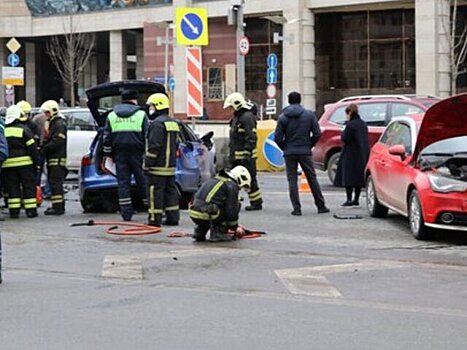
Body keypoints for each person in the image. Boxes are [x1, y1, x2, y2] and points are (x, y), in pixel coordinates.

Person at [274, 91, 330, 215]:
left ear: (289, 101)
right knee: (312, 178)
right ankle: (321, 206)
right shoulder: (309, 115)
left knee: (292, 180)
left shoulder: (283, 117)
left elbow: (277, 138)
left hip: (289, 152)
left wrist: (285, 147)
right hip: (305, 151)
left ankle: (297, 208)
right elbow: (317, 134)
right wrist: (309, 145)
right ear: (300, 100)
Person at [103, 90, 148, 221]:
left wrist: (107, 154)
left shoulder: (111, 115)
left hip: (119, 154)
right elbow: (147, 136)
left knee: (123, 183)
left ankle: (126, 213)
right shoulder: (141, 115)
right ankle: (151, 211)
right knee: (143, 182)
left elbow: (107, 138)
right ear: (135, 100)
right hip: (137, 154)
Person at [144, 93, 180, 227]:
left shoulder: (157, 124)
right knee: (171, 192)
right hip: (170, 166)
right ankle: (173, 217)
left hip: (157, 167)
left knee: (155, 193)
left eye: (151, 106)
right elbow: (176, 144)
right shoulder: (173, 123)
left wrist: (147, 164)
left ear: (158, 106)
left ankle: (154, 219)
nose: (150, 109)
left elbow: (154, 147)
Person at [189, 166, 251, 242]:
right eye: (241, 186)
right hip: (206, 214)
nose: (240, 189)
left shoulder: (216, 178)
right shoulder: (231, 185)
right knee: (231, 205)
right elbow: (231, 210)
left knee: (213, 205)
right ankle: (218, 234)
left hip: (194, 212)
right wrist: (235, 227)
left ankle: (199, 232)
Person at [224, 92, 262, 211]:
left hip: (245, 157)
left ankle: (256, 202)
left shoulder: (246, 118)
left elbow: (251, 136)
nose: (230, 110)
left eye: (231, 107)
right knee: (234, 180)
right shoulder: (239, 117)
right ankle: (238, 202)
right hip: (237, 156)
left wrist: (246, 152)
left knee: (250, 179)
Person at [1, 105, 39, 218]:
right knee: (28, 186)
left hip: (8, 166)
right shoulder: (24, 129)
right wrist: (36, 163)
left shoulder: (4, 130)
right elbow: (32, 148)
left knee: (12, 188)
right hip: (25, 165)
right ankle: (31, 211)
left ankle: (14, 211)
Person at [334, 103, 370, 207]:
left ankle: (349, 199)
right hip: (362, 153)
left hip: (350, 154)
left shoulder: (350, 125)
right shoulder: (363, 123)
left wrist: (343, 132)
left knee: (348, 177)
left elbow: (345, 138)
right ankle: (356, 199)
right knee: (358, 178)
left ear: (350, 112)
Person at [41, 100, 68, 215]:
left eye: (47, 112)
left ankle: (57, 208)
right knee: (55, 183)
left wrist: (44, 148)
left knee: (55, 184)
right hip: (54, 160)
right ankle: (58, 206)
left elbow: (58, 141)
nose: (46, 115)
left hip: (56, 160)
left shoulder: (59, 124)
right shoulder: (54, 123)